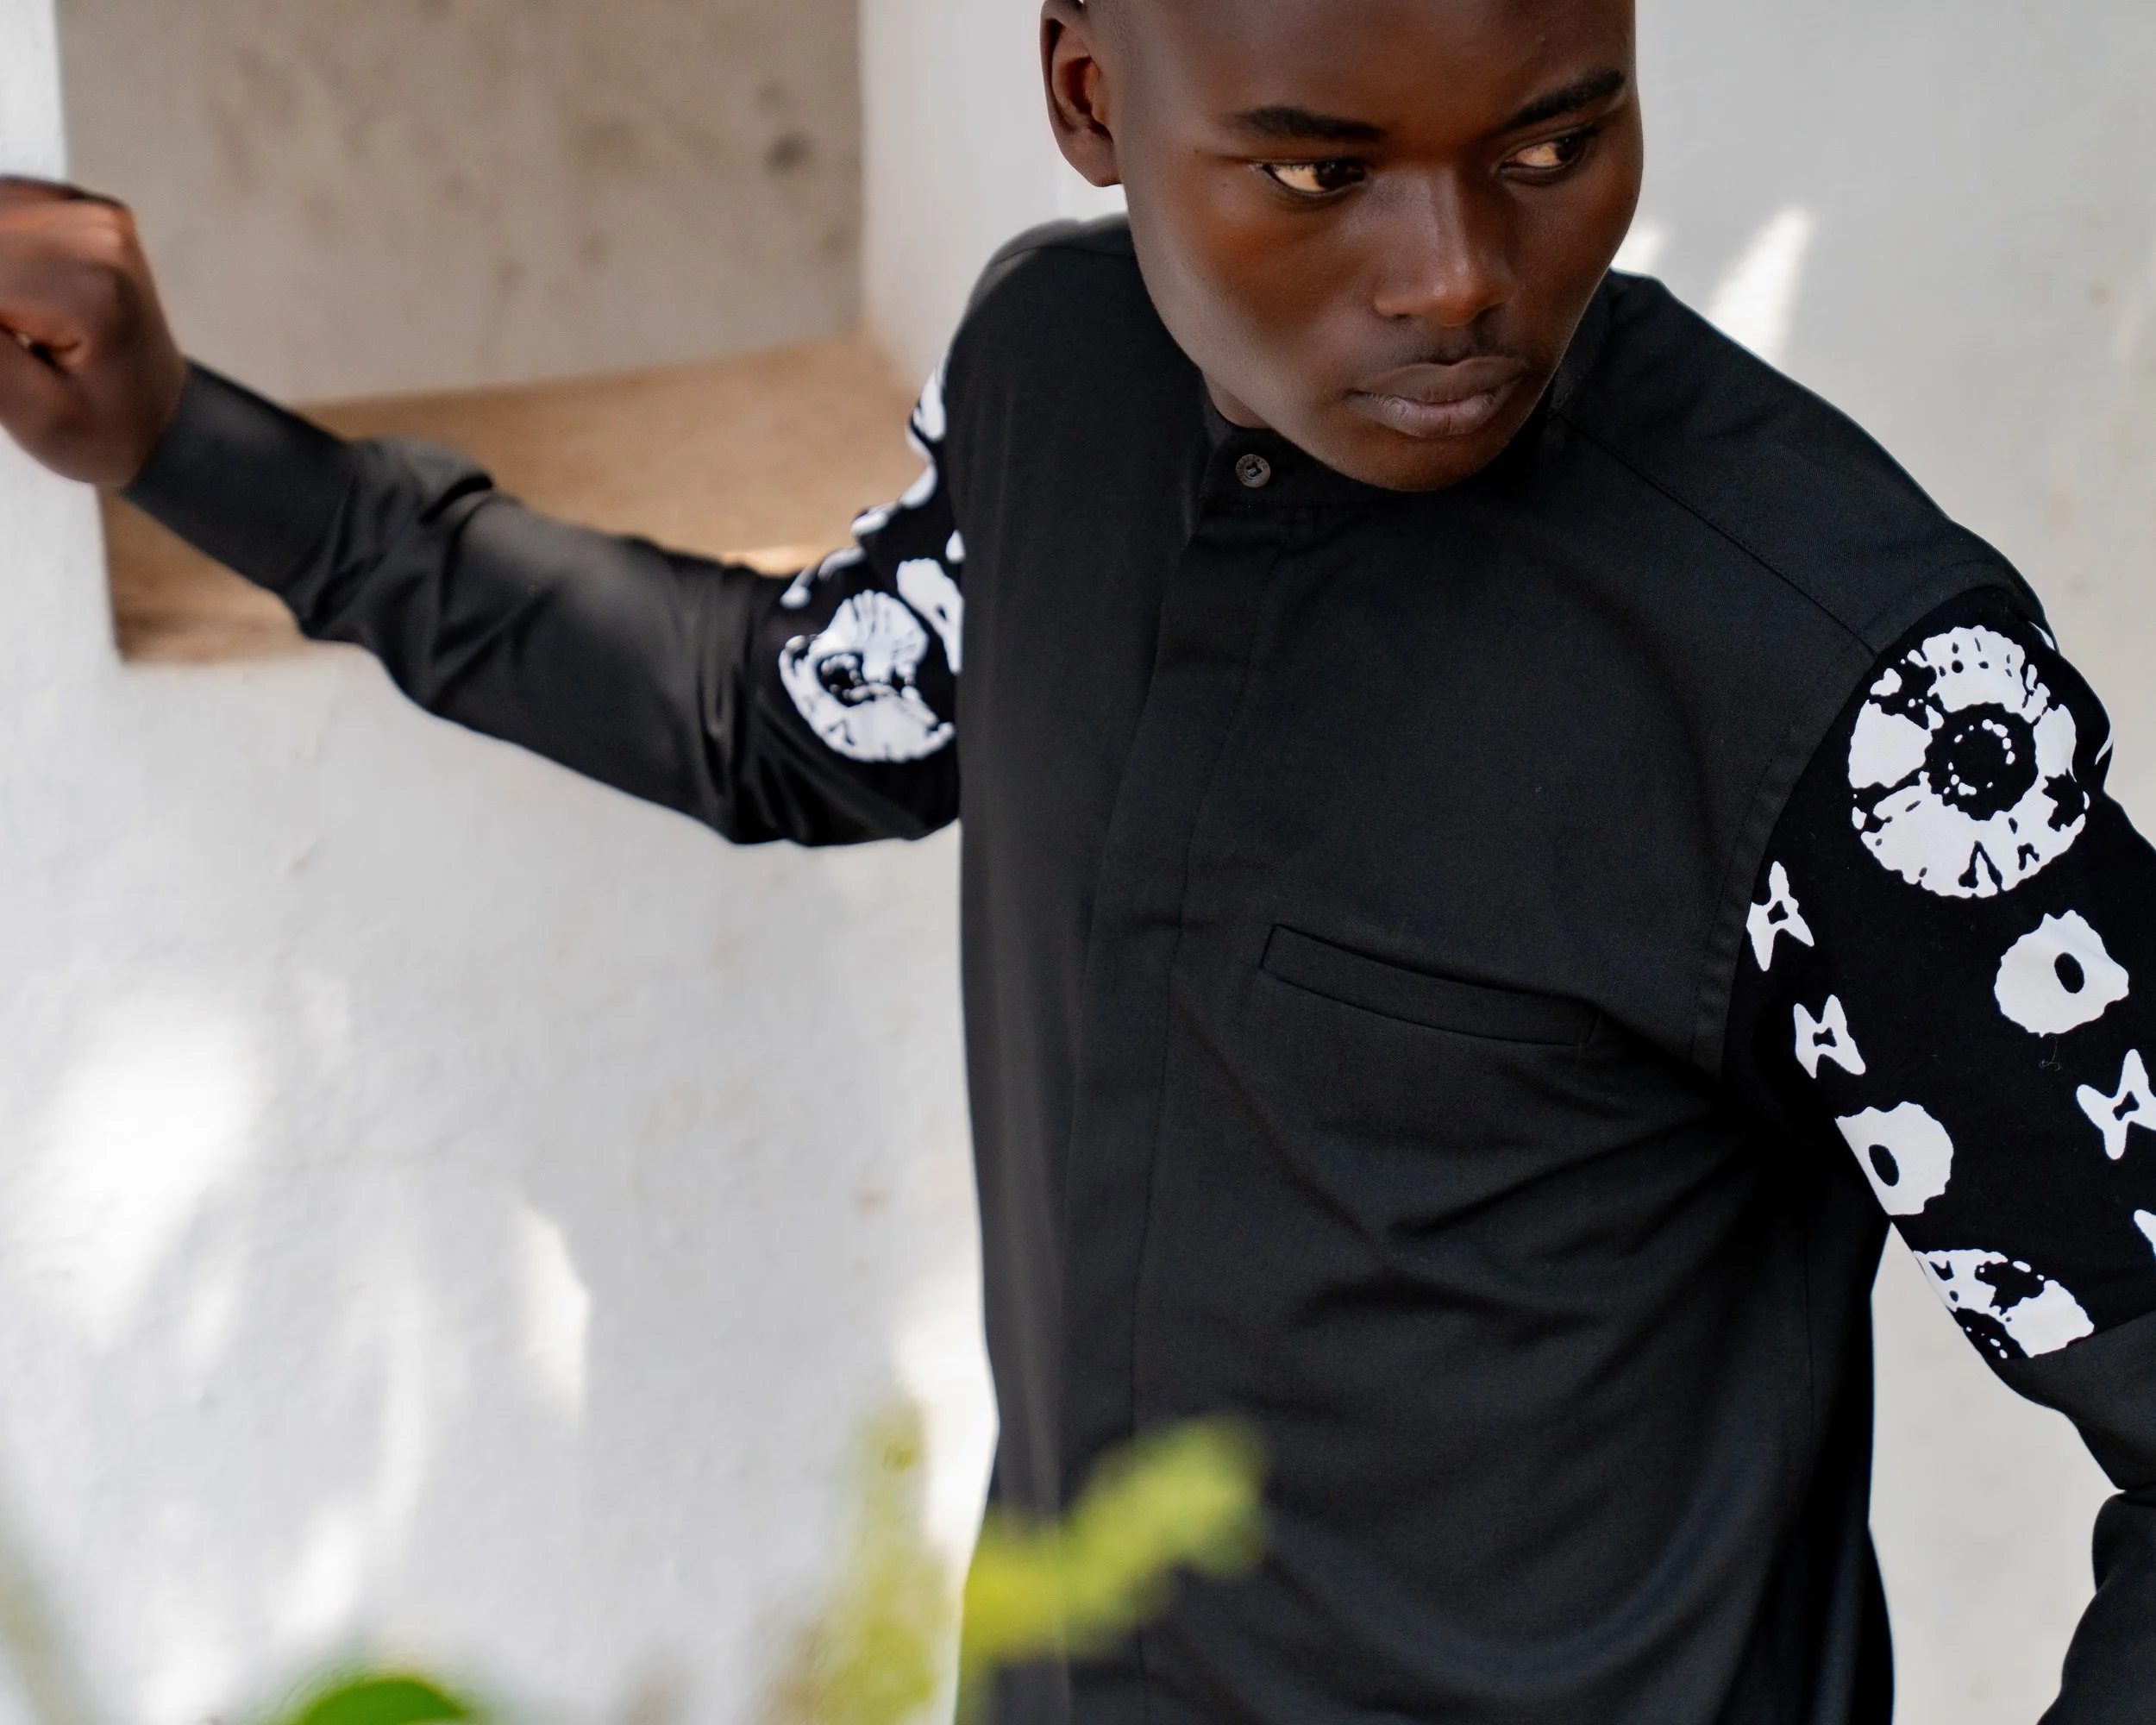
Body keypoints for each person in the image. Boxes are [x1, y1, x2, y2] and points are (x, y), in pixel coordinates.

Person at [0, 0, 2150, 1717]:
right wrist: (188, 439)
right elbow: (774, 716)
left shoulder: (1858, 700)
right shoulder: (1055, 390)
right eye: (1315, 170)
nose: (1457, 282)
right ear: (1087, 89)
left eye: (1549, 143)